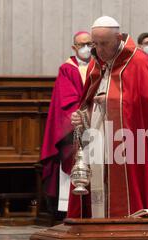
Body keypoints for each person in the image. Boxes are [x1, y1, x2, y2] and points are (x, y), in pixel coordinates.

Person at [68, 16, 148, 218]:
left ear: (118, 37)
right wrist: (82, 116)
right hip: (100, 143)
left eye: (104, 44)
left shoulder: (139, 62)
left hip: (134, 147)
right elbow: (89, 103)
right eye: (96, 44)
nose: (99, 50)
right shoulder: (97, 64)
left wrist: (111, 102)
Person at [40, 31, 92, 217]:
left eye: (90, 44)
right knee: (74, 160)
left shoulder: (99, 66)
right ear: (74, 47)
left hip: (97, 127)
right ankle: (69, 208)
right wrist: (83, 115)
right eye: (82, 45)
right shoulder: (67, 69)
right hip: (74, 129)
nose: (87, 48)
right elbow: (66, 101)